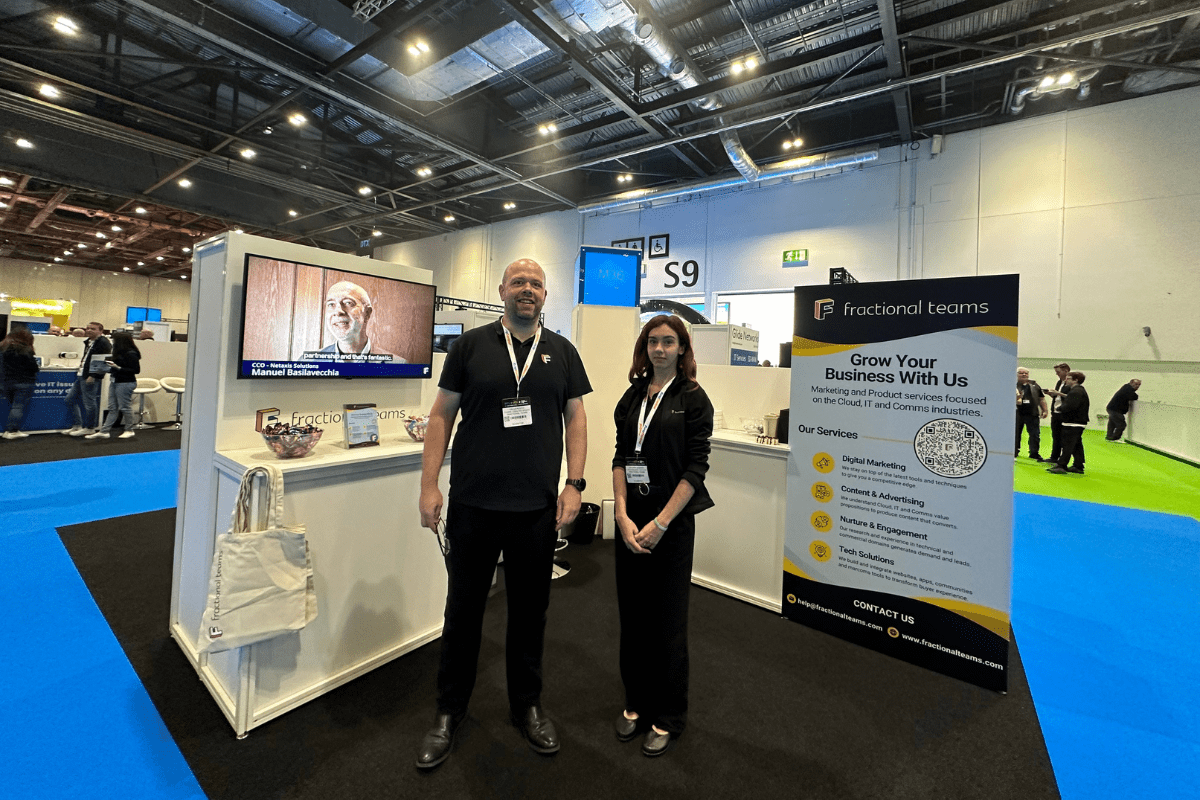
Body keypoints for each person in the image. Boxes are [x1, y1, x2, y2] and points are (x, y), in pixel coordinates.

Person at [415, 258, 591, 769]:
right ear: (502, 290)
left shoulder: (562, 351)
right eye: (519, 283)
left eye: (536, 284)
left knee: (529, 615)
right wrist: (430, 484)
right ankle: (449, 712)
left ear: (545, 294)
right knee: (463, 613)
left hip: (536, 509)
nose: (527, 290)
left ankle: (527, 706)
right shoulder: (469, 346)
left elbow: (576, 419)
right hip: (472, 505)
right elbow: (440, 415)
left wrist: (575, 484)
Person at [611, 315, 714, 757]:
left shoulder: (693, 399)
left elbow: (696, 468)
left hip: (669, 527)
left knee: (668, 622)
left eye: (668, 342)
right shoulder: (633, 396)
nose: (659, 349)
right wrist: (620, 513)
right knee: (633, 618)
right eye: (653, 341)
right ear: (644, 348)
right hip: (630, 524)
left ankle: (668, 715)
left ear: (682, 349)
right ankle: (636, 702)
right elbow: (620, 456)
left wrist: (661, 523)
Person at [308, 280, 401, 361]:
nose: (338, 311)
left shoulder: (398, 365)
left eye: (348, 303)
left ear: (367, 313)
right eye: (331, 304)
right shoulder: (307, 362)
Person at [86, 331, 141, 440]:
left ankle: (129, 429)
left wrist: (117, 367)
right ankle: (104, 431)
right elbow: (115, 368)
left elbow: (135, 370)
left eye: (114, 339)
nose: (113, 341)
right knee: (112, 407)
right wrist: (104, 368)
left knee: (125, 407)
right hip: (116, 381)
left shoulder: (131, 353)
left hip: (126, 383)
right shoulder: (118, 352)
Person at [62, 321, 111, 435]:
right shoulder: (89, 342)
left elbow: (103, 361)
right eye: (87, 328)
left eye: (93, 329)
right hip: (82, 374)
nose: (89, 330)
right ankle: (77, 425)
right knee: (69, 399)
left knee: (89, 403)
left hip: (90, 376)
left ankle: (89, 427)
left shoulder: (103, 343)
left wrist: (93, 376)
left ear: (100, 331)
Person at [1047, 371, 1088, 474]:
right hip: (1077, 422)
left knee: (1068, 445)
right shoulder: (1078, 390)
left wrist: (1059, 408)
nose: (1066, 380)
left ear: (1075, 380)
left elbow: (1070, 406)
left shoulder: (1076, 391)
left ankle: (1062, 465)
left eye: (1068, 378)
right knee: (1076, 445)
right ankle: (1078, 465)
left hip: (1073, 422)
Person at [1, 329, 39, 439]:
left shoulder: (3, 347)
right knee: (18, 406)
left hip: (6, 382)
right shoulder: (24, 349)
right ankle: (12, 430)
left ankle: (8, 430)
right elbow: (33, 367)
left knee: (12, 406)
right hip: (24, 381)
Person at [1015, 367, 1048, 461]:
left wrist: (1045, 410)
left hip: (1032, 414)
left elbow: (1041, 398)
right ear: (1016, 374)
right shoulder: (1012, 384)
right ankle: (1014, 451)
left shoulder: (1035, 385)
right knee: (1016, 434)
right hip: (1017, 414)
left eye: (1026, 373)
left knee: (1035, 435)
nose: (1024, 375)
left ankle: (1034, 453)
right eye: (1021, 373)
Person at [1044, 362, 1070, 463]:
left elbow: (1072, 397)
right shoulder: (1059, 382)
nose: (1057, 374)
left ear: (1066, 371)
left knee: (1064, 437)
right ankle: (1054, 457)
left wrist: (1057, 393)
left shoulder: (1070, 383)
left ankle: (1063, 459)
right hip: (1055, 412)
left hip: (1064, 413)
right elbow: (1059, 397)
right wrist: (1052, 394)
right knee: (1055, 436)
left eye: (1058, 372)